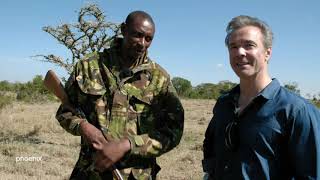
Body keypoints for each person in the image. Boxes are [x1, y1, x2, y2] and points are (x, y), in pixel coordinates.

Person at [56, 10, 184, 180]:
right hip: (90, 172)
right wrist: (84, 127)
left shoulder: (159, 78)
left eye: (148, 38)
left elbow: (173, 131)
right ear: (123, 30)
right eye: (137, 35)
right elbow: (65, 111)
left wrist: (129, 145)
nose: (142, 44)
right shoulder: (88, 66)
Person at [202, 15, 320, 179]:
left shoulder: (297, 111)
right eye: (233, 46)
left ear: (267, 53)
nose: (240, 52)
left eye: (249, 45)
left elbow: (311, 173)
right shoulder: (224, 103)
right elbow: (211, 147)